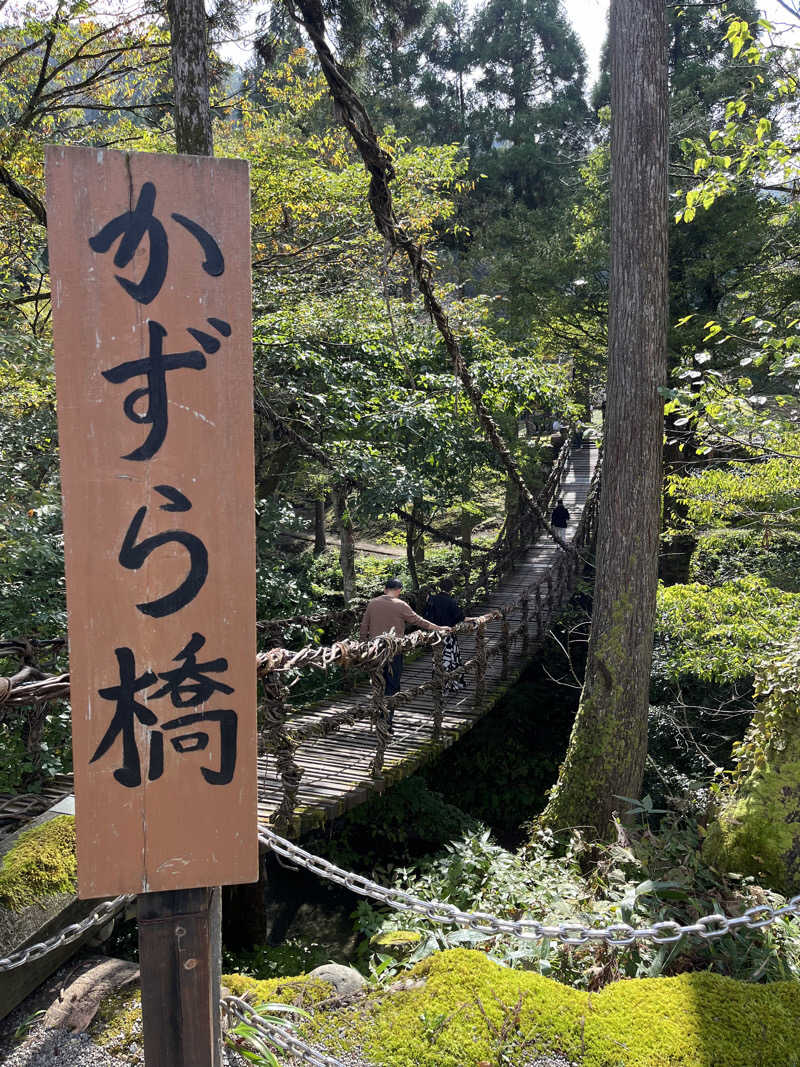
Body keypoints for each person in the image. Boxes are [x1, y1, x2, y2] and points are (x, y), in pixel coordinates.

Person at [360, 578, 443, 725]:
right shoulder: (401, 605)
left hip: (375, 651)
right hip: (394, 651)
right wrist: (438, 628)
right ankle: (387, 719)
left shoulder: (372, 603)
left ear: (385, 589)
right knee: (393, 684)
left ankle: (377, 714)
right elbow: (418, 621)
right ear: (399, 590)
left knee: (378, 683)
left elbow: (364, 627)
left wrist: (363, 647)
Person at [424, 578, 467, 692]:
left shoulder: (431, 599)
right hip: (448, 633)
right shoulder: (451, 602)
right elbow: (460, 618)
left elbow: (426, 616)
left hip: (435, 634)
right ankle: (451, 683)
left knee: (437, 658)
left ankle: (438, 683)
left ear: (440, 587)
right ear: (451, 588)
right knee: (450, 658)